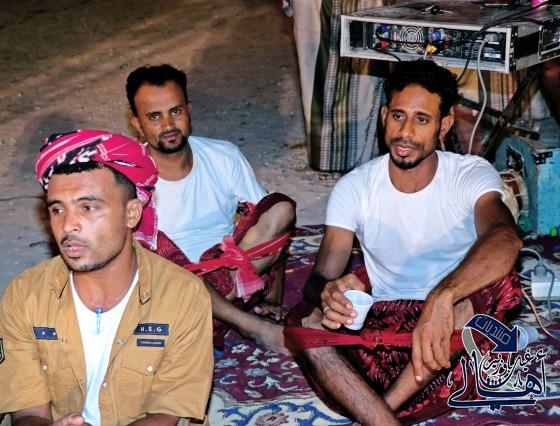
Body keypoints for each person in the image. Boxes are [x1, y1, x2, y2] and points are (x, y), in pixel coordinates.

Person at [285, 60, 523, 424]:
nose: (406, 132)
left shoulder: (468, 173)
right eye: (398, 116)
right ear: (384, 116)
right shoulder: (355, 187)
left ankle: (379, 412)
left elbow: (505, 237)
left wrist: (442, 297)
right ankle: (383, 415)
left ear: (444, 125)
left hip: (452, 341)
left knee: (496, 282)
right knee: (303, 321)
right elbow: (321, 277)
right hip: (383, 336)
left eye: (421, 120)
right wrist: (329, 294)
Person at [0, 130, 213, 426]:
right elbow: (27, 413)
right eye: (58, 209)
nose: (68, 225)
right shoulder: (25, 295)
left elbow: (168, 413)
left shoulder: (181, 295)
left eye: (88, 207)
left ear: (131, 214)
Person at [125, 64, 296, 353]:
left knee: (280, 210)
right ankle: (245, 323)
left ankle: (207, 315)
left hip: (228, 272)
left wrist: (273, 297)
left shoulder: (223, 156)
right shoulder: (127, 175)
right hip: (167, 283)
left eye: (175, 111)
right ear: (137, 124)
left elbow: (268, 224)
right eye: (154, 116)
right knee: (150, 258)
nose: (168, 124)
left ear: (189, 110)